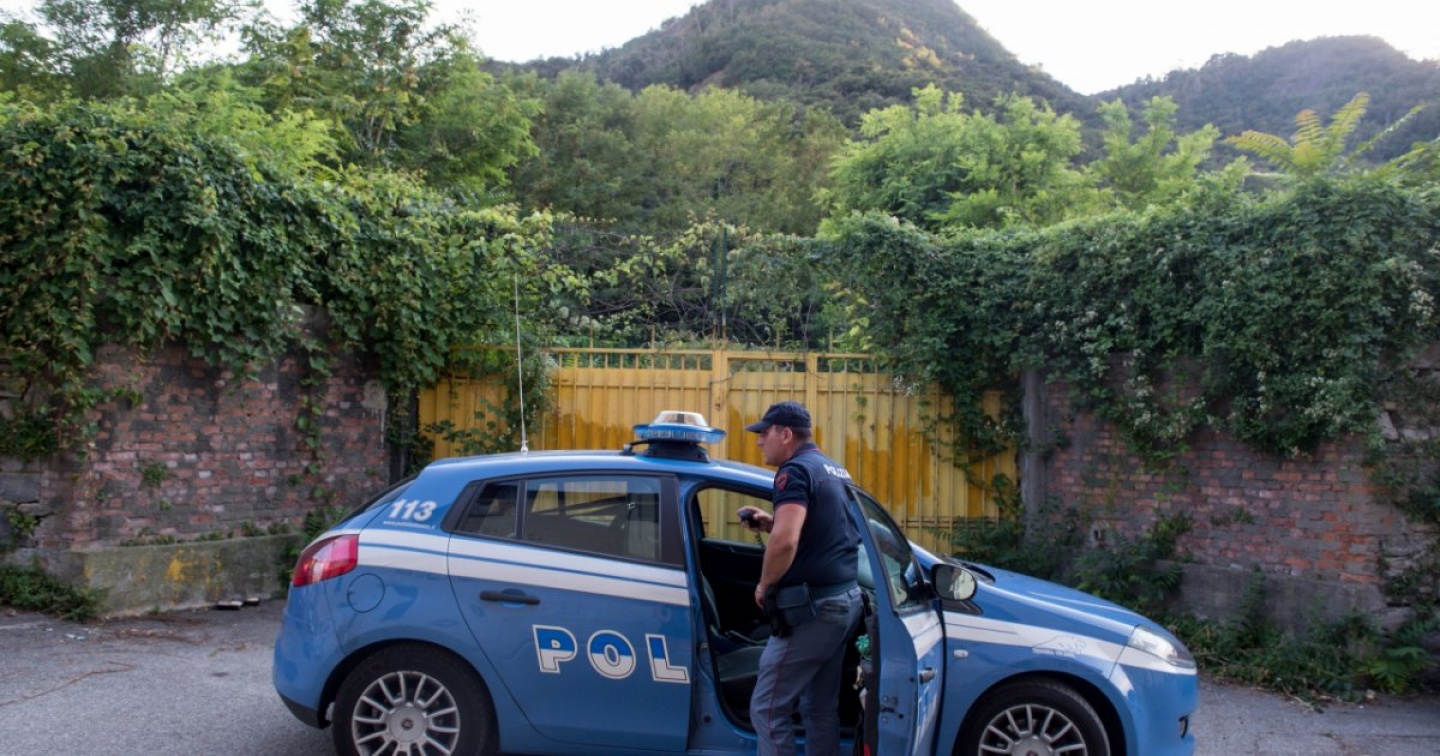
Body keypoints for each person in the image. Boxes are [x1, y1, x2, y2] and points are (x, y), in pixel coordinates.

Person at [737, 400, 862, 756]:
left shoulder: (792, 472)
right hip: (844, 602)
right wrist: (770, 522)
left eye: (764, 433)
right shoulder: (832, 469)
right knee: (819, 707)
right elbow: (824, 531)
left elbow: (786, 542)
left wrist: (764, 585)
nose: (759, 441)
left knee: (767, 708)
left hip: (814, 610)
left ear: (786, 434)